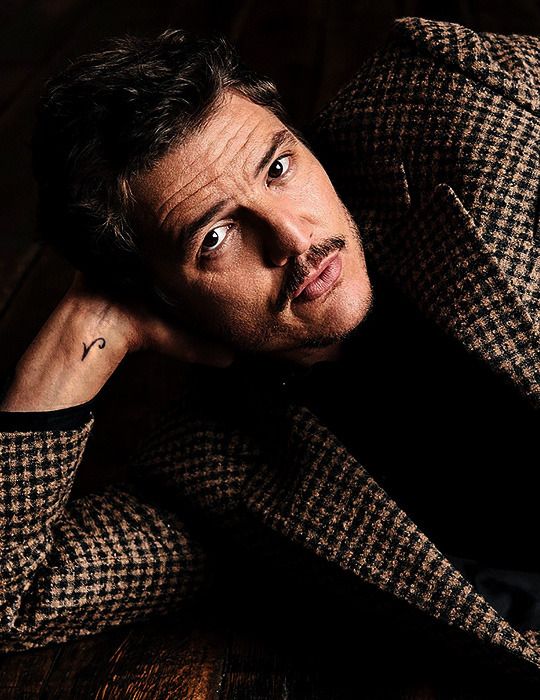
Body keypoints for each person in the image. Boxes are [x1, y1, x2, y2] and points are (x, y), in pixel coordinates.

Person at [1, 14, 540, 679]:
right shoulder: (210, 477)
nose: (291, 236)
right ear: (156, 297)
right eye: (215, 237)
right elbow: (9, 600)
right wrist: (75, 338)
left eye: (278, 167)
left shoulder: (464, 107)